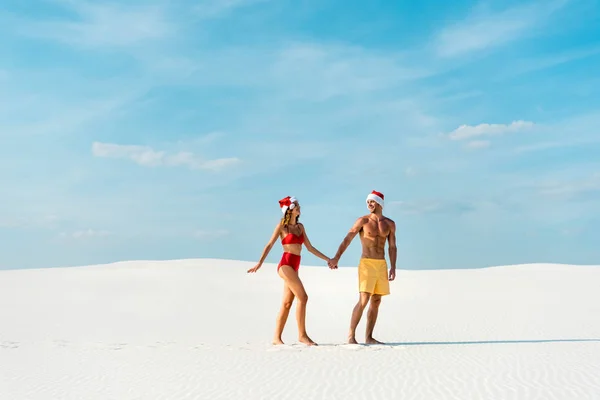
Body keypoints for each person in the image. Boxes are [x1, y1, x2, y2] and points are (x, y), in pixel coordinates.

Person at [247, 196, 331, 346]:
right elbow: (269, 244)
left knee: (287, 303)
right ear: (290, 210)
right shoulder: (282, 226)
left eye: (298, 205)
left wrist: (328, 259)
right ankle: (302, 335)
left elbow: (310, 248)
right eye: (296, 205)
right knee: (303, 297)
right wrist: (259, 263)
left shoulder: (300, 227)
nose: (299, 207)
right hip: (285, 265)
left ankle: (276, 338)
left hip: (295, 266)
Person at [328, 190, 397, 345]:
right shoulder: (363, 221)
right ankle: (351, 336)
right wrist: (336, 257)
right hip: (367, 263)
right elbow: (348, 238)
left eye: (372, 202)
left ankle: (369, 337)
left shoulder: (390, 224)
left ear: (379, 203)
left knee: (376, 300)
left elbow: (392, 247)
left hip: (381, 264)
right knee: (364, 298)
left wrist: (393, 267)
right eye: (367, 202)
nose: (369, 205)